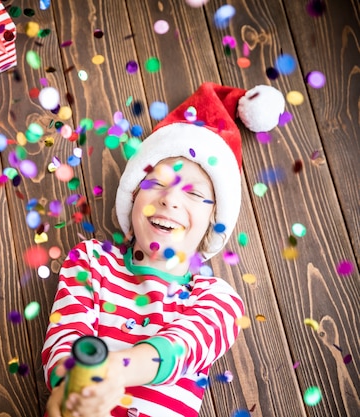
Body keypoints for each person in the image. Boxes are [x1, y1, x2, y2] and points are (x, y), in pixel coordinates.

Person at [42, 83, 286, 417]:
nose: (170, 198)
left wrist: (112, 372)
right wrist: (71, 388)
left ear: (214, 222)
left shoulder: (217, 299)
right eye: (157, 183)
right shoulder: (92, 261)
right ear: (132, 197)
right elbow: (66, 335)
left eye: (194, 194)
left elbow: (181, 348)